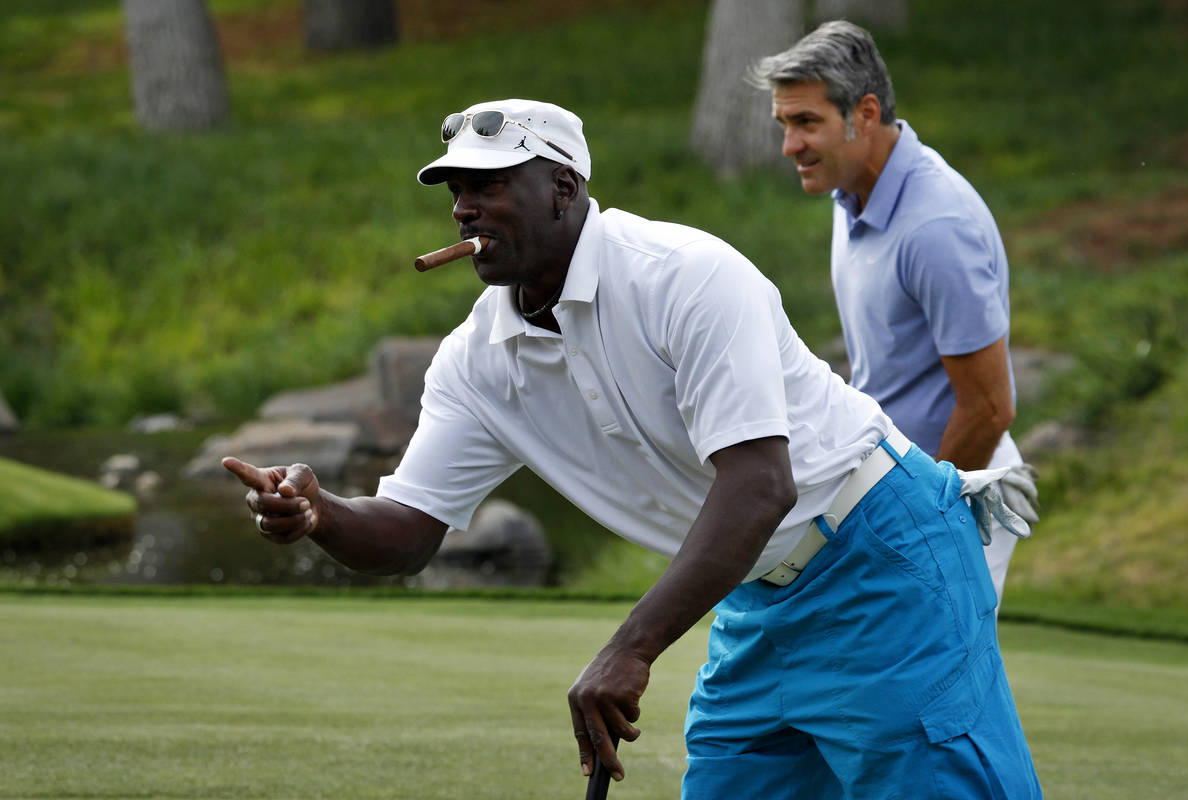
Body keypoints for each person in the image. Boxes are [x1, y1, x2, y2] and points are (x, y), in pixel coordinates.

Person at [222, 99, 1041, 799]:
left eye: (491, 186)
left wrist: (630, 648)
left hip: (882, 556)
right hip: (758, 597)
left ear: (564, 189)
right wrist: (320, 513)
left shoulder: (684, 274)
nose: (465, 209)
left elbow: (759, 485)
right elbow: (407, 533)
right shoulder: (477, 359)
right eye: (456, 192)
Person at [752, 21, 1040, 604]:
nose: (790, 146)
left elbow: (989, 406)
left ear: (864, 112)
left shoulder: (937, 226)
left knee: (931, 688)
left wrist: (922, 519)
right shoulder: (852, 191)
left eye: (807, 123)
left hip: (953, 492)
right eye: (785, 124)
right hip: (894, 484)